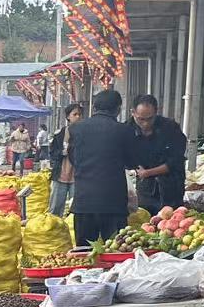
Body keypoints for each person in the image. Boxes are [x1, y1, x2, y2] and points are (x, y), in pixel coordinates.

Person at [67, 88, 137, 247]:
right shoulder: (124, 130)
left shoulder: (76, 128)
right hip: (113, 203)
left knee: (84, 251)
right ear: (118, 109)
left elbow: (73, 158)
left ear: (94, 107)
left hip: (84, 201)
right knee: (115, 250)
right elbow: (131, 162)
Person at [127, 93, 188, 212]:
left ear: (156, 112)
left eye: (150, 119)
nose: (145, 123)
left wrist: (148, 172)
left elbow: (176, 160)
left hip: (171, 187)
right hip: (144, 189)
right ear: (133, 112)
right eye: (141, 119)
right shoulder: (127, 130)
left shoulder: (170, 128)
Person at [47, 103, 84, 216]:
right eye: (75, 114)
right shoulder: (60, 134)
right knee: (56, 207)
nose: (78, 117)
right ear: (68, 117)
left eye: (80, 114)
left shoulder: (85, 133)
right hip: (61, 174)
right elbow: (52, 152)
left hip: (78, 176)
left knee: (76, 209)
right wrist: (62, 152)